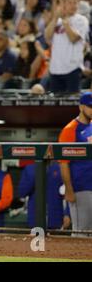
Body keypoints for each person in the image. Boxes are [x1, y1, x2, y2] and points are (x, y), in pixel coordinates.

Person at [58, 92, 92, 236]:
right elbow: (64, 163)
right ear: (81, 107)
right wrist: (69, 190)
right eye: (91, 107)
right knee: (81, 232)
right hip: (80, 187)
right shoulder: (70, 129)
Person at [45, 0, 89, 93]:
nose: (73, 5)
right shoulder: (57, 21)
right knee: (55, 105)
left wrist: (65, 21)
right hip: (55, 69)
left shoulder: (81, 20)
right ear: (64, 5)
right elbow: (47, 36)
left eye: (75, 3)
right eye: (70, 3)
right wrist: (56, 17)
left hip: (72, 68)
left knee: (73, 102)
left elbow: (73, 38)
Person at [19, 162, 71, 230]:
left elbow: (69, 192)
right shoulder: (30, 169)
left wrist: (67, 213)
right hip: (35, 219)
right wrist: (36, 173)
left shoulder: (60, 168)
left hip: (56, 219)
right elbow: (22, 192)